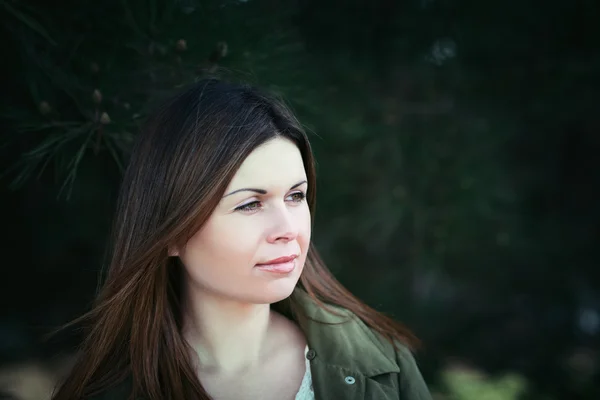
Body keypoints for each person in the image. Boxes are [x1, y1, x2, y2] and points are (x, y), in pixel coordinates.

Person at [51, 79, 432, 400]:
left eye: (296, 196)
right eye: (251, 204)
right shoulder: (108, 392)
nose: (288, 228)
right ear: (169, 233)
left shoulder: (381, 365)